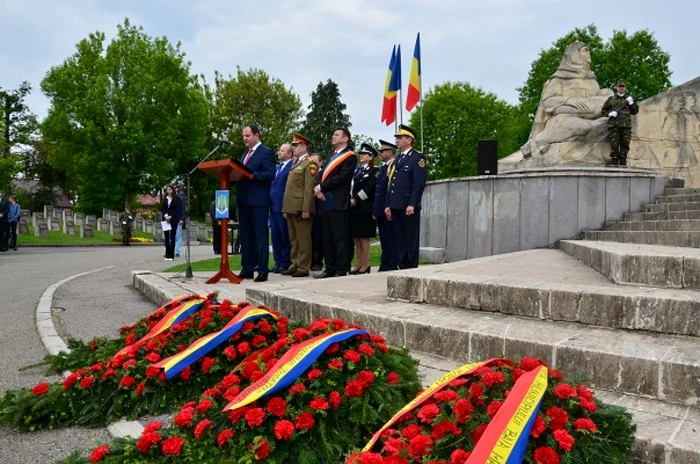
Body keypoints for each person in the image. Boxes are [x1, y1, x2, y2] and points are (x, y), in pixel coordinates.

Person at [520, 42, 613, 161]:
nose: (589, 53)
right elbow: (548, 102)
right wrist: (568, 101)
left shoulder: (592, 80)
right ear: (574, 54)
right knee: (584, 126)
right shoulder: (559, 77)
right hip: (565, 118)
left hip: (592, 115)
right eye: (585, 50)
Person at [313, 128, 357, 278]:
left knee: (340, 237)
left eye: (337, 135)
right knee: (327, 237)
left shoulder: (350, 157)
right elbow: (322, 174)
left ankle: (341, 267)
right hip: (325, 200)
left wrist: (322, 187)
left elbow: (343, 177)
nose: (333, 136)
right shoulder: (332, 156)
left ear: (345, 139)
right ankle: (330, 267)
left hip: (338, 201)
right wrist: (318, 189)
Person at [234, 124, 276, 282]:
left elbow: (270, 174)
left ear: (256, 135)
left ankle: (263, 270)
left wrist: (252, 175)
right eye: (243, 136)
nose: (244, 138)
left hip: (258, 202)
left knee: (260, 237)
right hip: (244, 201)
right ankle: (247, 269)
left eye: (247, 135)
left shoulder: (266, 152)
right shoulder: (244, 154)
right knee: (245, 237)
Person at [385, 124, 427, 269]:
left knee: (410, 238)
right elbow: (391, 184)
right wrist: (388, 205)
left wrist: (412, 204)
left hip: (408, 205)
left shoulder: (417, 158)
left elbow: (418, 183)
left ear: (409, 140)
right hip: (396, 204)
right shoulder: (398, 159)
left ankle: (411, 267)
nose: (397, 140)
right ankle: (402, 266)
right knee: (400, 239)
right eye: (396, 137)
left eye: (400, 137)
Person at [281, 134, 318, 277]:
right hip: (291, 207)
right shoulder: (296, 163)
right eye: (293, 145)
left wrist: (306, 209)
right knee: (294, 239)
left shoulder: (309, 164)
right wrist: (286, 208)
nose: (293, 148)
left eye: (296, 146)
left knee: (303, 239)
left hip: (301, 208)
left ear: (304, 147)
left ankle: (303, 266)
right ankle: (295, 263)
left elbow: (309, 188)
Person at [349, 143, 378, 274]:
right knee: (357, 237)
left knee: (364, 237)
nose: (361, 156)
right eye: (361, 154)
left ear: (371, 157)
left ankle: (365, 264)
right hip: (355, 208)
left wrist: (357, 199)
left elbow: (370, 188)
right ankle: (359, 263)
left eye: (365, 154)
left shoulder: (373, 171)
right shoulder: (358, 171)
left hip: (365, 208)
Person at [373, 140, 399, 271]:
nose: (380, 154)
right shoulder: (383, 168)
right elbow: (378, 190)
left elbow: (390, 189)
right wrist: (375, 209)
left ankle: (391, 263)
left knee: (391, 238)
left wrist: (388, 206)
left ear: (390, 152)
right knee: (384, 238)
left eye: (382, 151)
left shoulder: (395, 166)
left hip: (388, 208)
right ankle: (385, 261)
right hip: (380, 209)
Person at [601, 80, 639, 167]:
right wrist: (609, 114)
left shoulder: (629, 99)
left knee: (625, 144)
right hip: (614, 126)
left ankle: (623, 161)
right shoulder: (611, 99)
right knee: (614, 144)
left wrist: (631, 103)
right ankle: (614, 161)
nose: (621, 88)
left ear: (625, 88)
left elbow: (634, 111)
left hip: (626, 126)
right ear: (617, 87)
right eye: (619, 86)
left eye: (623, 86)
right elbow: (603, 111)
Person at [270, 143, 294, 273]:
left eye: (282, 150)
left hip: (283, 207)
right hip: (273, 207)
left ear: (289, 154)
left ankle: (285, 262)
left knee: (285, 236)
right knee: (275, 236)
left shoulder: (291, 167)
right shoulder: (277, 168)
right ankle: (277, 261)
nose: (279, 152)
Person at [309, 153, 324, 271]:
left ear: (320, 163)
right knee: (311, 238)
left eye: (315, 162)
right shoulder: (309, 174)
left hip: (320, 210)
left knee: (319, 238)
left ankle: (318, 261)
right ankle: (312, 260)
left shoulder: (322, 174)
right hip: (310, 209)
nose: (312, 165)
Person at [161, 185, 181, 261]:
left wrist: (171, 217)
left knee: (172, 237)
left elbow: (177, 209)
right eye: (167, 189)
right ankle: (167, 254)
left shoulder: (177, 199)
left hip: (173, 219)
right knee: (166, 237)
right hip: (165, 220)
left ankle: (171, 255)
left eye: (170, 189)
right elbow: (163, 209)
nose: (168, 191)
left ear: (172, 190)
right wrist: (166, 216)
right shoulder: (164, 199)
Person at [175, 184, 186, 257]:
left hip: (178, 219)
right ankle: (170, 251)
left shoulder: (180, 198)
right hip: (171, 219)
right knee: (170, 236)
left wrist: (182, 219)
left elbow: (183, 209)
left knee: (178, 236)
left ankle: (177, 251)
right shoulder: (168, 198)